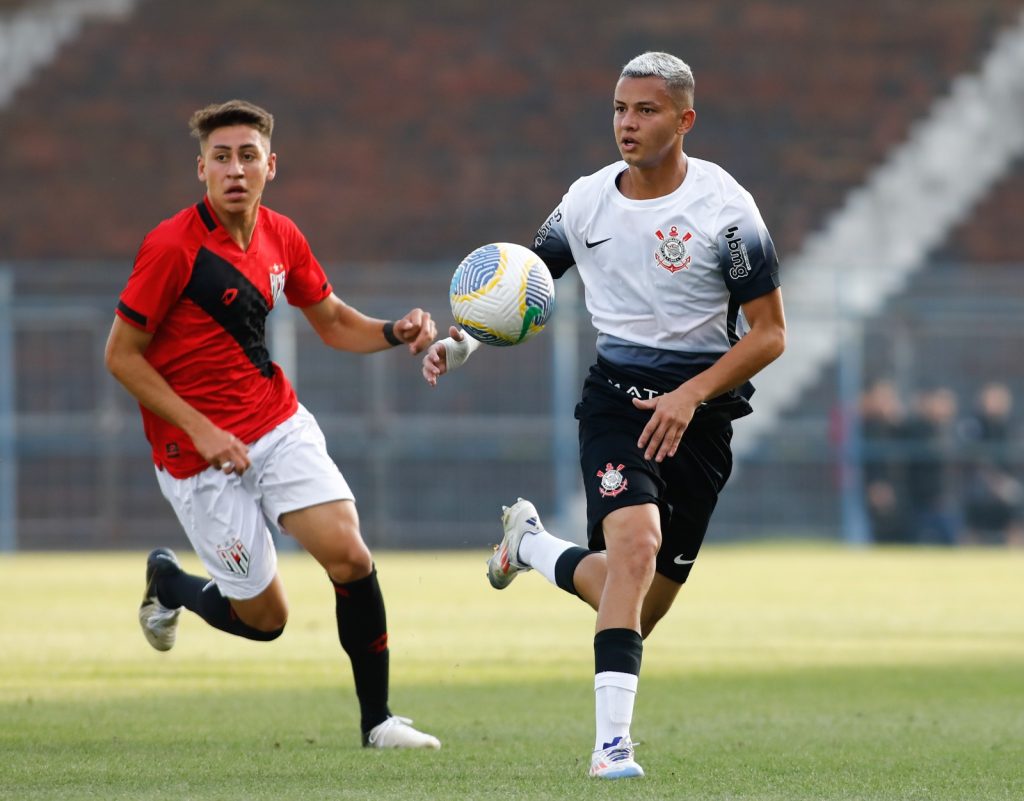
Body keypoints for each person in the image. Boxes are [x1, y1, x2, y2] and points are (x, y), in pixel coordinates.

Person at [422, 52, 785, 778]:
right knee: (633, 550)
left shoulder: (727, 211)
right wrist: (461, 340)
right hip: (617, 403)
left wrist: (690, 396)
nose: (627, 123)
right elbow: (523, 279)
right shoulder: (586, 199)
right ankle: (611, 747)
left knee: (636, 607)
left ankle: (529, 547)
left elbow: (771, 334)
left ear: (684, 120)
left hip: (702, 414)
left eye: (646, 110)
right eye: (620, 109)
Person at [104, 99, 441, 750]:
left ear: (271, 165)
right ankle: (168, 581)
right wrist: (201, 428)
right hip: (193, 454)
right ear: (201, 168)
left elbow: (334, 321)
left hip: (274, 421)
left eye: (248, 155)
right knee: (265, 620)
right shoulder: (171, 247)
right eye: (222, 157)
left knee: (349, 552)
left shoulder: (282, 235)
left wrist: (393, 331)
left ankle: (378, 722)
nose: (235, 169)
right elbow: (120, 355)